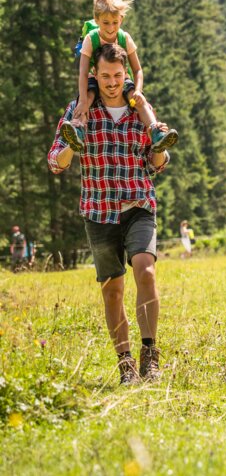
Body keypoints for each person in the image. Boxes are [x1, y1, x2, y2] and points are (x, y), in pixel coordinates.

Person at [48, 43, 170, 385]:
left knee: (145, 270)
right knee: (112, 290)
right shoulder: (81, 110)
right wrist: (72, 147)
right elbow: (55, 161)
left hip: (138, 203)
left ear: (126, 75)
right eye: (105, 76)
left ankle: (150, 356)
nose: (112, 82)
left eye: (118, 75)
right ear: (94, 76)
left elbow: (156, 163)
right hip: (99, 210)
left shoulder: (139, 109)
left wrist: (159, 152)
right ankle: (125, 362)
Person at [60, 0, 178, 155]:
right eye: (105, 22)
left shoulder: (124, 38)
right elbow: (83, 72)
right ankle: (79, 129)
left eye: (115, 22)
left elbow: (137, 70)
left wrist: (138, 90)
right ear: (96, 19)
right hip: (96, 76)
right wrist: (83, 99)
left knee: (139, 101)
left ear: (121, 19)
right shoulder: (90, 39)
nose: (110, 27)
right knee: (88, 98)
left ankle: (155, 132)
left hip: (121, 77)